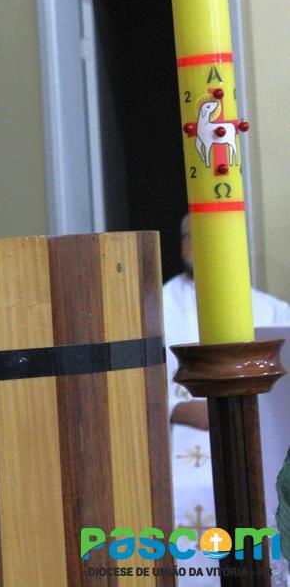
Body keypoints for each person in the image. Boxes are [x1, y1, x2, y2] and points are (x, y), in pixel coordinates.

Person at [164, 214, 290, 585]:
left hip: (258, 438)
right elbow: (135, 383)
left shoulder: (272, 311)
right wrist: (175, 408)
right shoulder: (152, 310)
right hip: (178, 439)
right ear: (182, 245)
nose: (204, 248)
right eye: (193, 237)